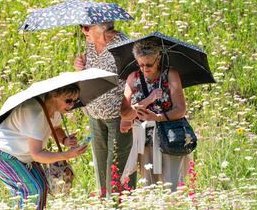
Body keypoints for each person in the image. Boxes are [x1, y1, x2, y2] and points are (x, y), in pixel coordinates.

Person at [0, 84, 88, 210]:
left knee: (41, 186)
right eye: (68, 101)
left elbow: (56, 127)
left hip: (21, 153)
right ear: (54, 94)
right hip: (1, 153)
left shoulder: (53, 107)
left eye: (75, 101)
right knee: (32, 190)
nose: (71, 105)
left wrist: (64, 140)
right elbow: (37, 154)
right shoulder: (34, 112)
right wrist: (66, 155)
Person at [74, 21, 137, 197]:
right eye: (82, 27)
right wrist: (80, 68)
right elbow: (90, 76)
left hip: (118, 116)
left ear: (102, 28)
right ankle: (105, 203)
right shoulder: (90, 45)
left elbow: (134, 79)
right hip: (95, 115)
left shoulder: (123, 45)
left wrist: (127, 115)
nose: (83, 31)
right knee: (101, 170)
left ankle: (119, 204)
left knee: (116, 167)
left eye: (87, 27)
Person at [120, 39, 188, 191]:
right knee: (149, 186)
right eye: (141, 64)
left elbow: (180, 109)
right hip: (145, 139)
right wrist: (148, 99)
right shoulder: (133, 78)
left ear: (158, 58)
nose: (144, 68)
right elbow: (125, 113)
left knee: (172, 186)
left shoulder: (170, 74)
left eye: (149, 64)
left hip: (169, 136)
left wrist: (157, 117)